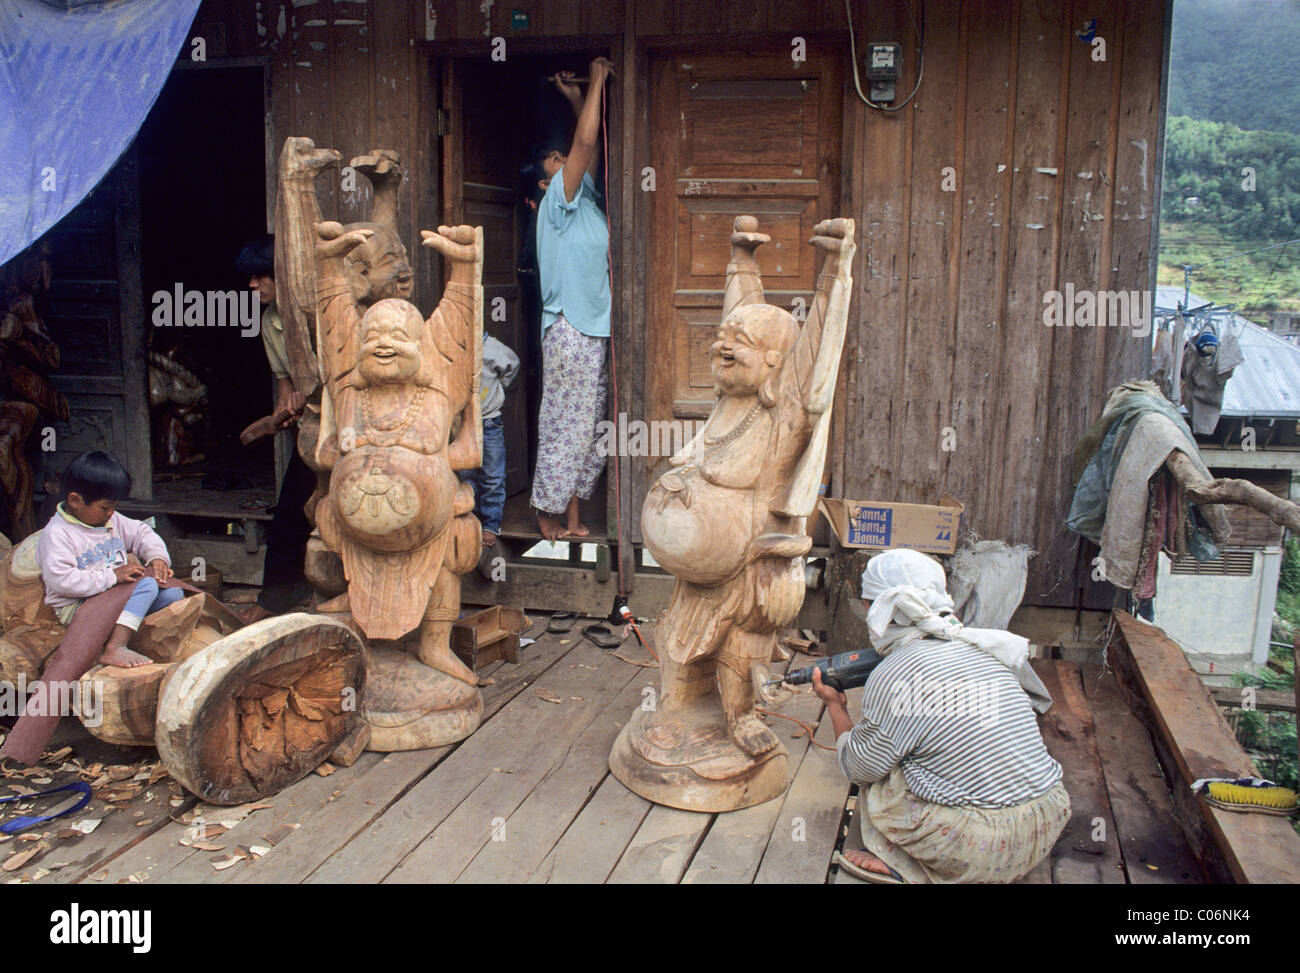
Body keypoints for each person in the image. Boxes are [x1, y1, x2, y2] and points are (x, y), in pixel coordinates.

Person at [811, 548, 1071, 884]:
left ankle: (907, 867)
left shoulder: (895, 672)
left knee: (882, 784)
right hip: (1043, 826)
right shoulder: (985, 648)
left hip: (977, 848)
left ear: (872, 608)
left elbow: (859, 768)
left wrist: (835, 706)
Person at [0, 451, 184, 765]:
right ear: (74, 500)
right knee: (146, 585)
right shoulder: (58, 535)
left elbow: (141, 533)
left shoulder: (109, 520)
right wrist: (111, 576)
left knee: (173, 594)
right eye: (106, 507)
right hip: (80, 607)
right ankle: (115, 646)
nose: (112, 514)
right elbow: (62, 582)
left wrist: (157, 558)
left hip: (115, 595)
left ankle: (136, 639)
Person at [528, 57, 615, 541]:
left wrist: (579, 98)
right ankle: (546, 509)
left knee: (587, 431)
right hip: (569, 327)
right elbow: (584, 142)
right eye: (557, 162)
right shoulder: (556, 205)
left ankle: (574, 515)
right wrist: (598, 75)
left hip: (593, 328)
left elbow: (590, 150)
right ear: (545, 181)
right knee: (565, 424)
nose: (569, 162)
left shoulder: (584, 201)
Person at [235, 234, 316, 623]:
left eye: (262, 276)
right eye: (251, 277)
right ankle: (278, 596)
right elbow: (285, 386)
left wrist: (310, 395)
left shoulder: (317, 313)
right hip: (313, 431)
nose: (253, 285)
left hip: (351, 427)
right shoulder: (270, 322)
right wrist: (279, 415)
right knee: (291, 511)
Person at [459, 334, 519, 548]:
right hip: (461, 423)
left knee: (492, 475)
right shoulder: (453, 346)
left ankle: (491, 524)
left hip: (489, 421)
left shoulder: (492, 347)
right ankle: (470, 520)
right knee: (466, 474)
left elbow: (512, 365)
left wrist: (499, 387)